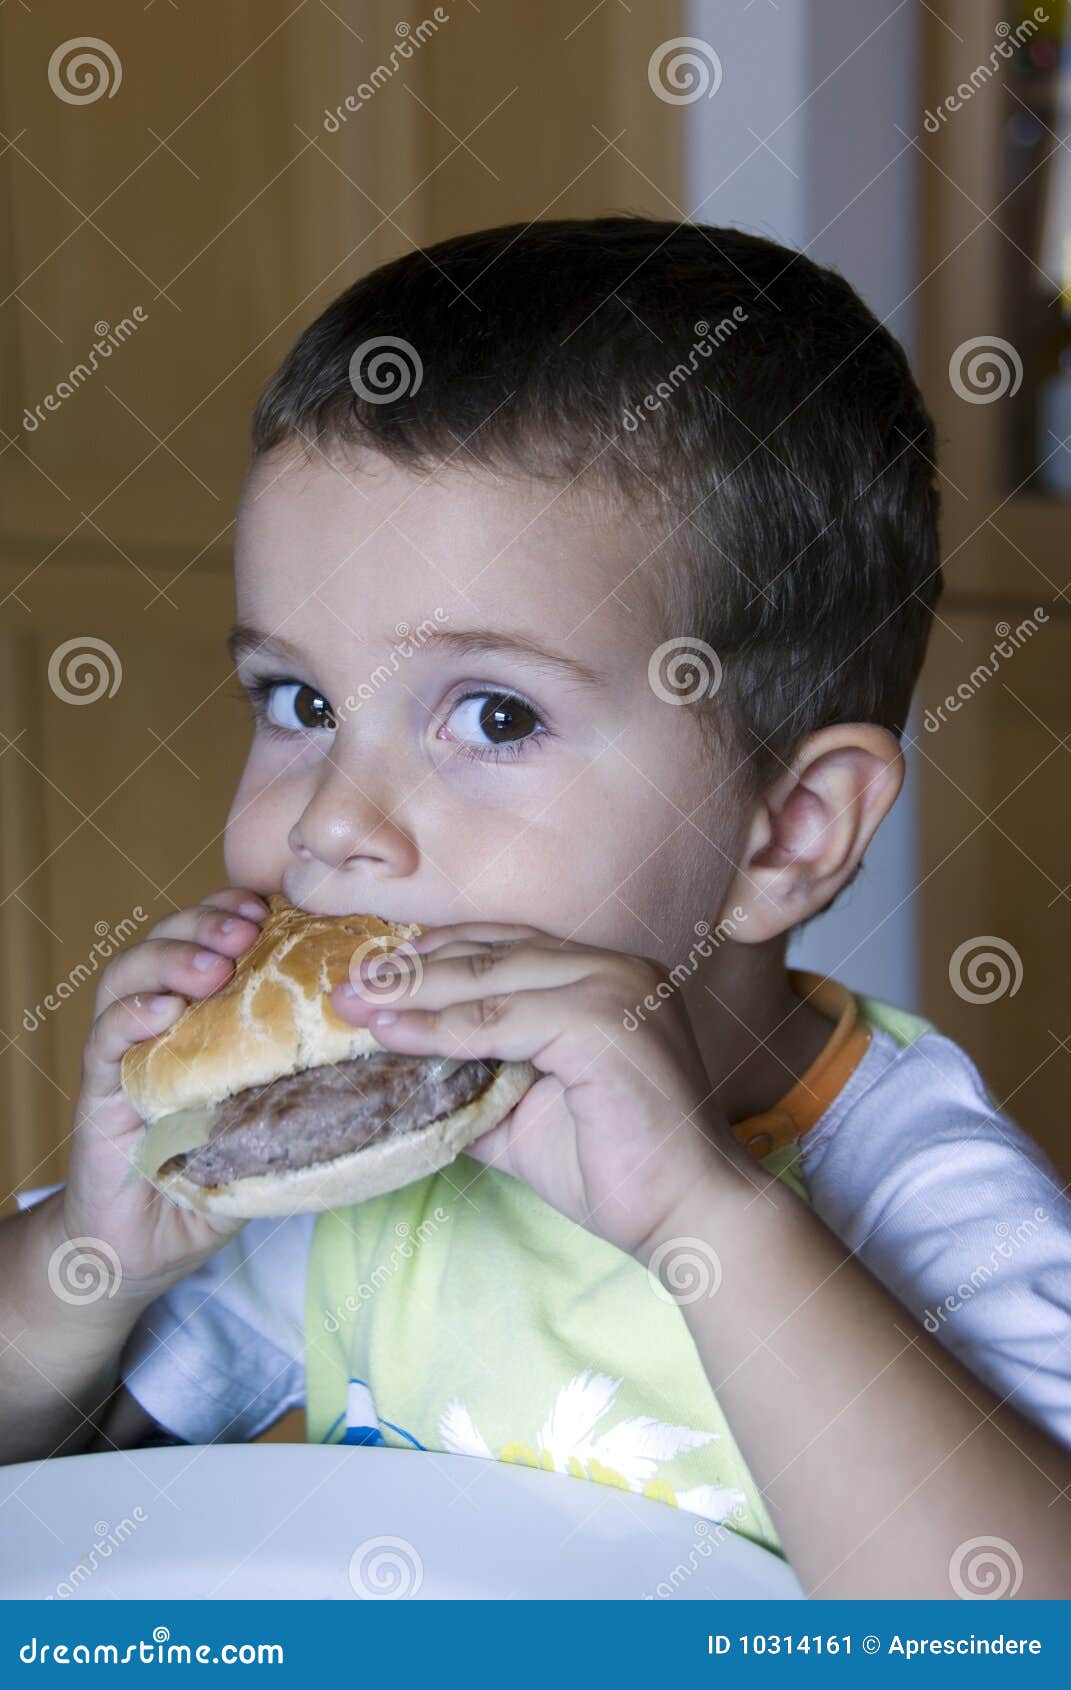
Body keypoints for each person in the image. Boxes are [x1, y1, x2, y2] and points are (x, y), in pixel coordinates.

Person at [2, 218, 1069, 1599]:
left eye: (495, 714)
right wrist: (94, 1249)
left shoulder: (931, 1198)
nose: (329, 822)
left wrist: (709, 1217)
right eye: (299, 702)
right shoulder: (356, 1158)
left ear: (787, 833)